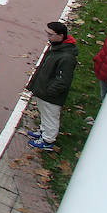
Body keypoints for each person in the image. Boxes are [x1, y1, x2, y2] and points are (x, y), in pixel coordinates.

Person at [27, 21, 79, 151]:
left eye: (50, 34)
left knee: (51, 116)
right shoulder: (56, 48)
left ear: (61, 36)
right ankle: (43, 131)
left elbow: (63, 81)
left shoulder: (66, 57)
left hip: (50, 95)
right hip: (43, 90)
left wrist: (49, 91)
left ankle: (48, 140)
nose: (47, 37)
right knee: (45, 114)